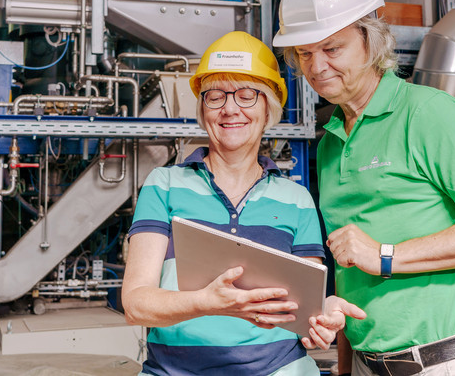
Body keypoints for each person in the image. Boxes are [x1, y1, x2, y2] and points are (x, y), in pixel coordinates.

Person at [273, 0, 455, 376]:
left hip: (447, 363)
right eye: (304, 53)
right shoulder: (330, 144)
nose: (316, 68)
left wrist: (388, 254)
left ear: (372, 38)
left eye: (332, 48)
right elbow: (350, 267)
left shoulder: (429, 112)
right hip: (365, 364)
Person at [121, 30, 365, 376]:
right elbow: (135, 303)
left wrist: (321, 317)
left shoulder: (296, 200)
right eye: (215, 96)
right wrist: (207, 303)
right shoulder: (165, 185)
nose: (230, 108)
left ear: (268, 109)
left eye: (247, 95)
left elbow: (301, 310)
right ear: (203, 109)